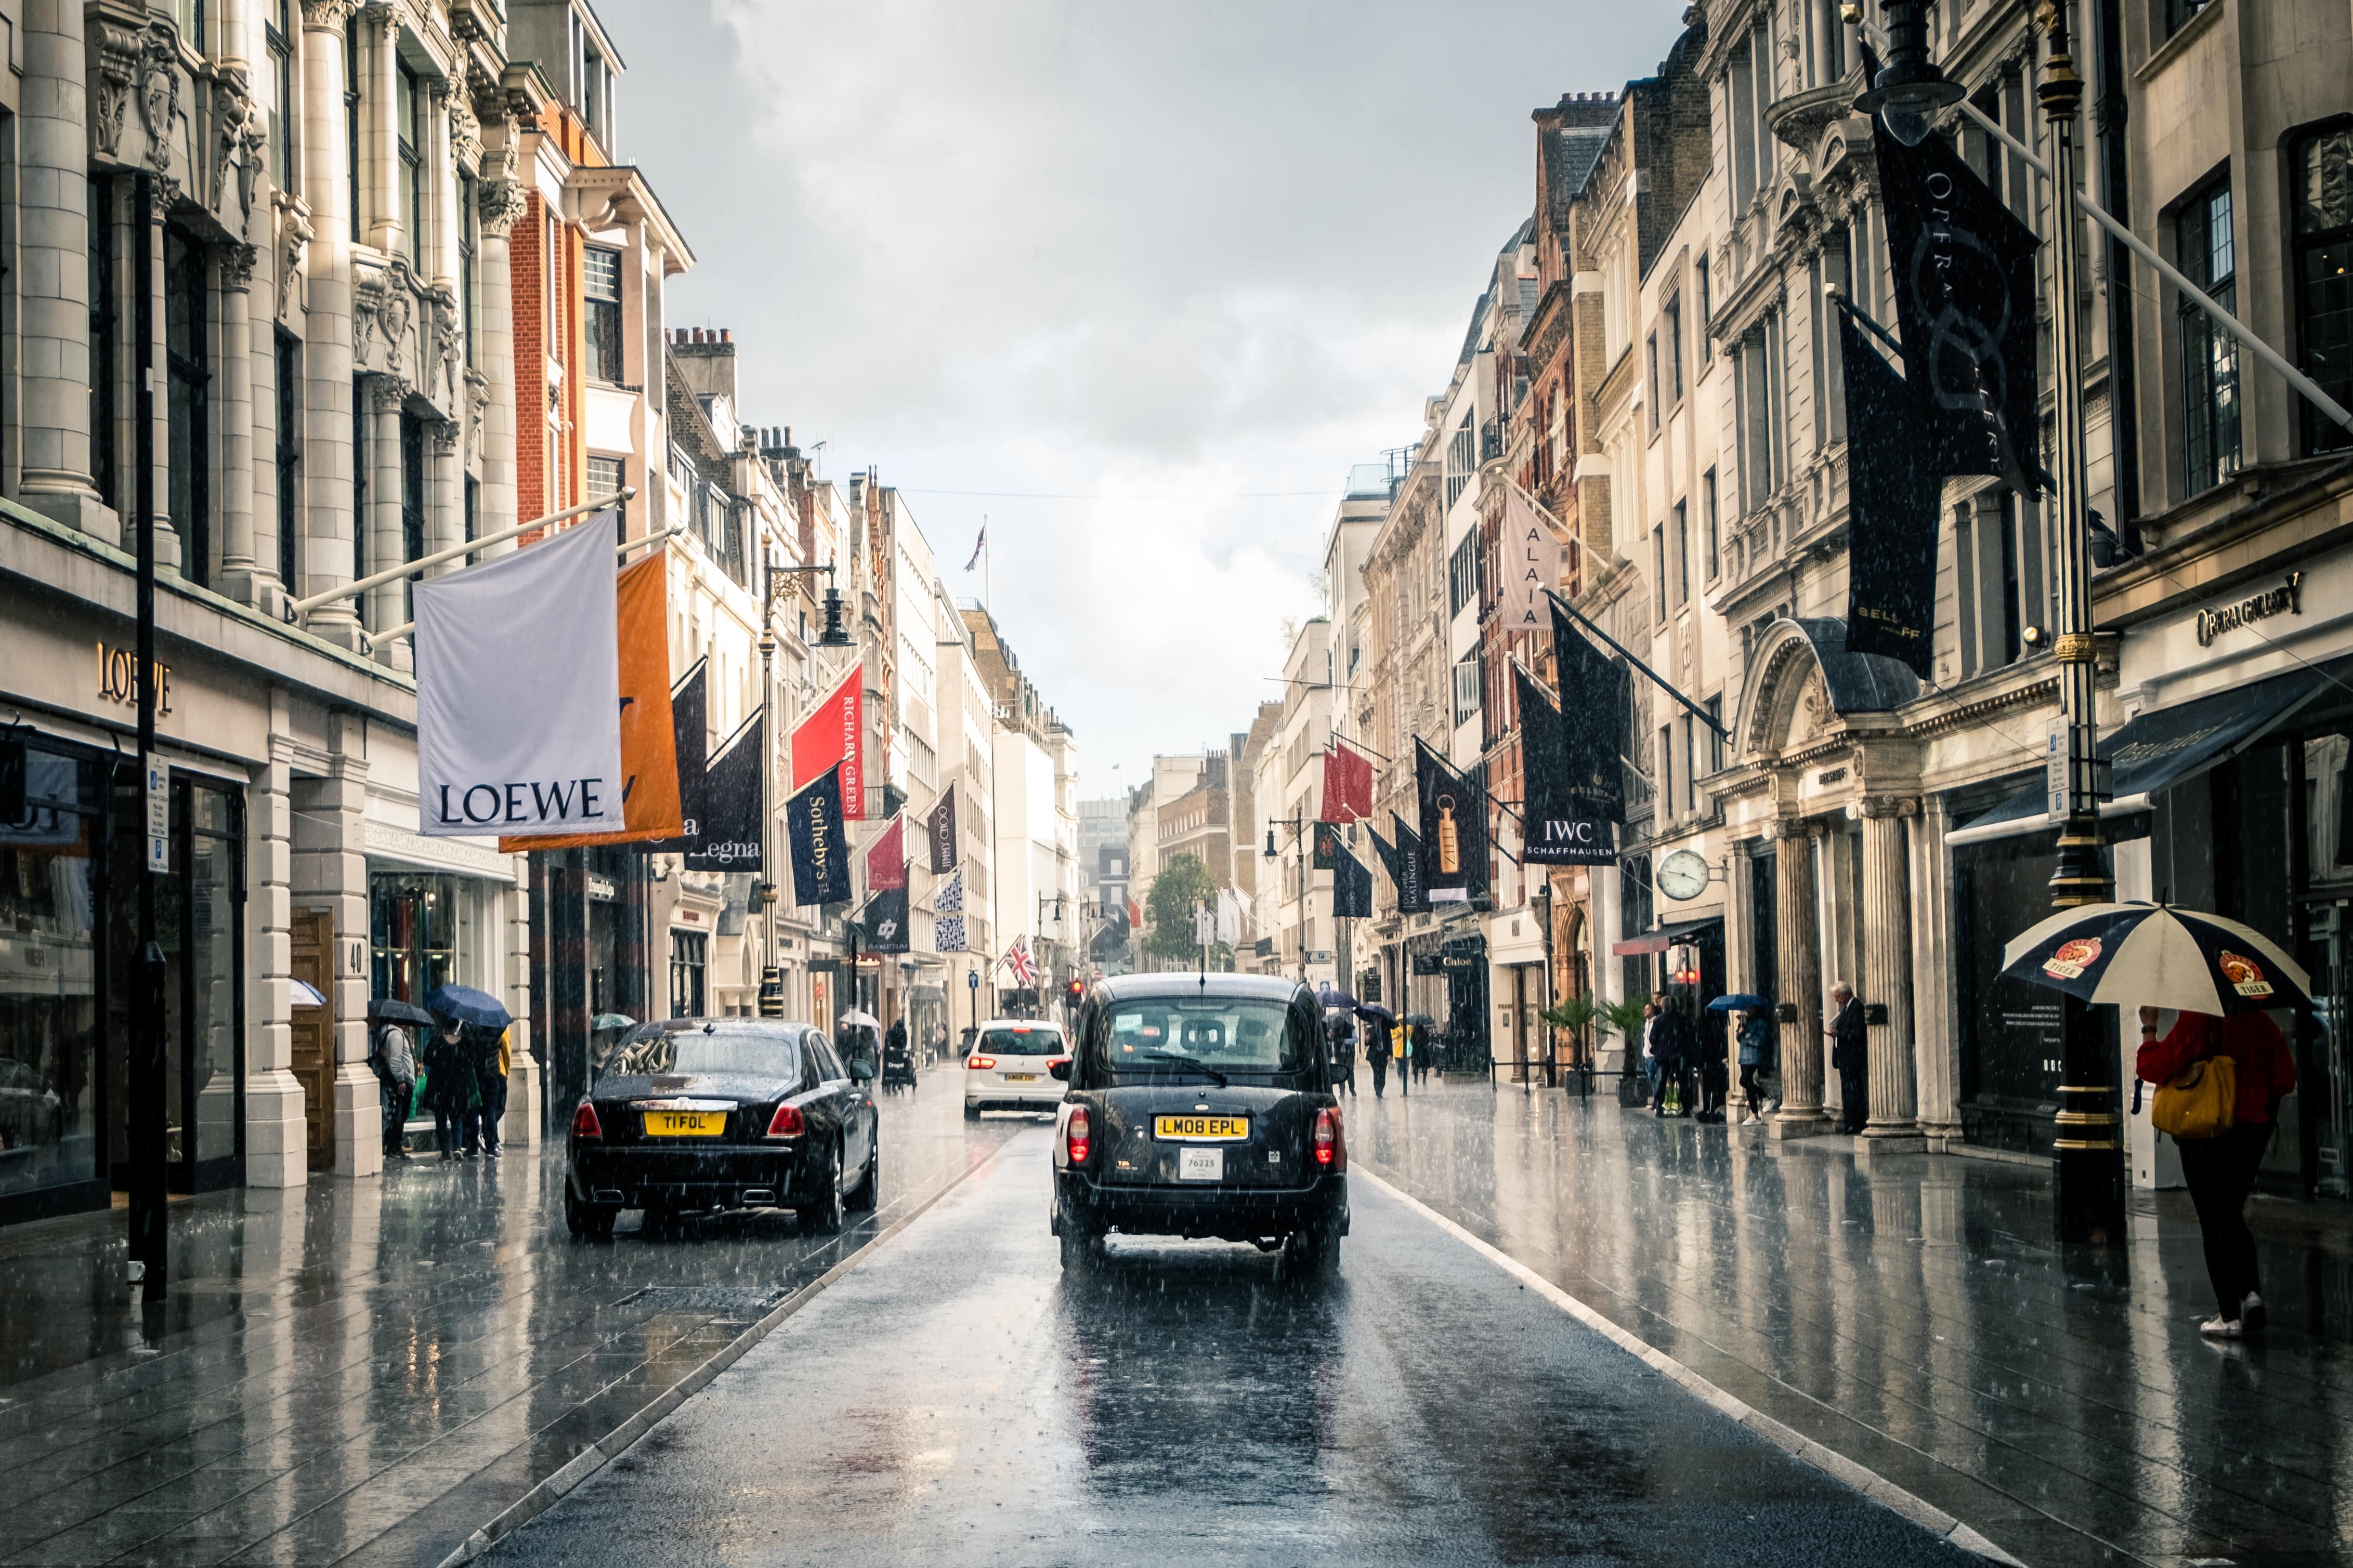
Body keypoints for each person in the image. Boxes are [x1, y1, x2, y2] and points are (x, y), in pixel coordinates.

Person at [2136, 1004, 2296, 1337]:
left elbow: (2153, 1066)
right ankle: (2251, 1295)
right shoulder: (2264, 1025)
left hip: (2207, 1132)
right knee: (2231, 1214)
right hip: (2254, 1131)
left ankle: (2228, 1315)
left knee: (2213, 1222)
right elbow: (2285, 1080)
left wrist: (2149, 1028)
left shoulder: (2199, 1018)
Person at [369, 1016, 416, 1162]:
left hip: (392, 1080)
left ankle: (394, 1146)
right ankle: (394, 1148)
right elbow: (395, 1059)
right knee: (399, 1116)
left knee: (395, 1114)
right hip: (400, 1080)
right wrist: (401, 1080)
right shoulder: (395, 1035)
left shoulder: (384, 1032)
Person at [421, 1022, 470, 1162]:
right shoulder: (463, 1043)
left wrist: (439, 1062)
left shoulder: (437, 1041)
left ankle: (445, 1152)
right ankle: (457, 1147)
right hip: (457, 1087)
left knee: (441, 1119)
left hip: (439, 1087)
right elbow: (468, 1062)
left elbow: (427, 1060)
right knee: (456, 1118)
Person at [1827, 984, 1866, 1134]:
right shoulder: (1846, 1009)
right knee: (1847, 1091)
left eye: (1837, 997)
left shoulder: (1857, 1007)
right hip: (1845, 1058)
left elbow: (1859, 1033)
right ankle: (1850, 1121)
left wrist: (1839, 1034)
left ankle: (1856, 1122)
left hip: (1853, 1058)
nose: (1836, 1000)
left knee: (1854, 1091)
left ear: (1845, 995)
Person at [470, 1025, 509, 1159]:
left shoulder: (474, 1034)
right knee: (490, 1113)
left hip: (478, 1078)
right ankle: (491, 1147)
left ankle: (473, 1146)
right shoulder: (496, 1033)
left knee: (475, 1112)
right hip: (493, 1078)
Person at [1736, 1008, 1775, 1124]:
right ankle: (1756, 1115)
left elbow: (1760, 1041)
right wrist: (1740, 1032)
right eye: (1747, 1008)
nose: (1748, 1010)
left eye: (1751, 1008)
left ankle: (1767, 1097)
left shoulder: (1761, 1022)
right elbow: (1739, 1040)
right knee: (1747, 1084)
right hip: (1744, 1057)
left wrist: (1746, 1034)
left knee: (1744, 1080)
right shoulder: (1745, 1022)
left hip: (1754, 1057)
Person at [1695, 1011, 1729, 1123]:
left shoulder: (1712, 1032)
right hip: (1714, 1062)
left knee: (1712, 1086)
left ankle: (1712, 1109)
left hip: (1715, 1062)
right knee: (1712, 1086)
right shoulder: (1713, 1032)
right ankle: (1711, 1109)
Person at [1640, 1001, 1665, 1114]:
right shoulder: (1646, 1023)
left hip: (1653, 1056)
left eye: (1648, 1009)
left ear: (1653, 1011)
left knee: (1653, 1079)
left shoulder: (1657, 1021)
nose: (1645, 1011)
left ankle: (1657, 1101)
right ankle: (1657, 1100)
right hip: (1647, 1056)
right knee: (1652, 1080)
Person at [1327, 1014, 1357, 1097]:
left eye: (1340, 1025)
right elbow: (1331, 1041)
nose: (1339, 1027)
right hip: (1339, 1054)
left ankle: (1352, 1089)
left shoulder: (1351, 1028)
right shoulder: (1334, 1029)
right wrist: (1331, 1036)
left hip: (1349, 1054)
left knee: (1350, 1071)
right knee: (1340, 1072)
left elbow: (1356, 1039)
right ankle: (1342, 1092)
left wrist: (1346, 1040)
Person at [1367, 1021, 1390, 1098]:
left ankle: (1381, 1088)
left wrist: (1390, 1054)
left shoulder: (1386, 1030)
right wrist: (1367, 1040)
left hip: (1383, 1055)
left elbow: (1389, 1042)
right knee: (1376, 1073)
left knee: (1383, 1074)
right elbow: (1367, 1043)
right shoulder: (1370, 1030)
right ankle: (1378, 1091)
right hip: (1374, 1055)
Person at [1409, 1018, 1431, 1085]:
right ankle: (1424, 1079)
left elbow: (1411, 1041)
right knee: (1425, 1066)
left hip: (1416, 1052)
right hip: (1424, 1051)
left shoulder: (1414, 1034)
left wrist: (1415, 1045)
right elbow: (1428, 1041)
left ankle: (1416, 1079)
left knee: (1416, 1066)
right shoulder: (1425, 1033)